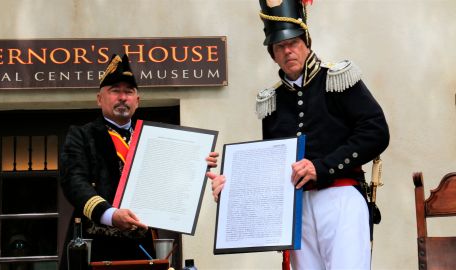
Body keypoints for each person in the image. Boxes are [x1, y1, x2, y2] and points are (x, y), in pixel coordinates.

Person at [207, 1, 390, 269]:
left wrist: (323, 166)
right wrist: (232, 189)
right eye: (280, 46)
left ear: (307, 43)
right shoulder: (272, 100)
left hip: (340, 199)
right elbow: (271, 168)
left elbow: (376, 132)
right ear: (272, 54)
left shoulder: (338, 78)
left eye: (293, 42)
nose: (288, 50)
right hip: (296, 210)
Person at [59, 53, 217, 269]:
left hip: (142, 248)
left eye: (129, 92)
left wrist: (196, 165)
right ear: (99, 98)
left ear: (137, 100)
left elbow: (171, 183)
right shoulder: (81, 136)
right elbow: (73, 182)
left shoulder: (153, 139)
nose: (123, 97)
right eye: (115, 91)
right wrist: (110, 215)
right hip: (95, 247)